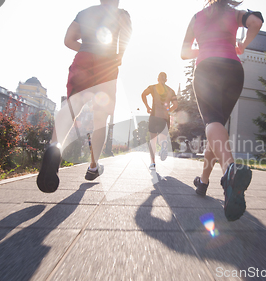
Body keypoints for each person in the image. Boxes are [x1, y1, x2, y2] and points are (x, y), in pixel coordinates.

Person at [37, 0, 132, 193]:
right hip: (107, 65)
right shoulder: (123, 15)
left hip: (84, 59)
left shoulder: (84, 13)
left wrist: (86, 51)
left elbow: (68, 40)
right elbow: (124, 44)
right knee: (100, 119)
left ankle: (54, 146)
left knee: (72, 106)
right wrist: (116, 57)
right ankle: (93, 167)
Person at [181, 0, 263, 221]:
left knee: (213, 123)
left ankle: (229, 170)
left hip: (208, 68)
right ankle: (203, 181)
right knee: (217, 130)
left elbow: (184, 52)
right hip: (233, 69)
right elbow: (255, 21)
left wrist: (204, 48)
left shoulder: (197, 17)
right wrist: (243, 44)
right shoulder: (235, 13)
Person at [141, 72, 178, 170]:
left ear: (158, 79)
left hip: (154, 116)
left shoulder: (153, 87)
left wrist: (148, 107)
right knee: (162, 138)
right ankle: (163, 144)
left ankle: (153, 163)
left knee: (152, 140)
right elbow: (175, 105)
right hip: (164, 118)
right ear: (166, 80)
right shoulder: (171, 91)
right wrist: (168, 110)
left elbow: (143, 94)